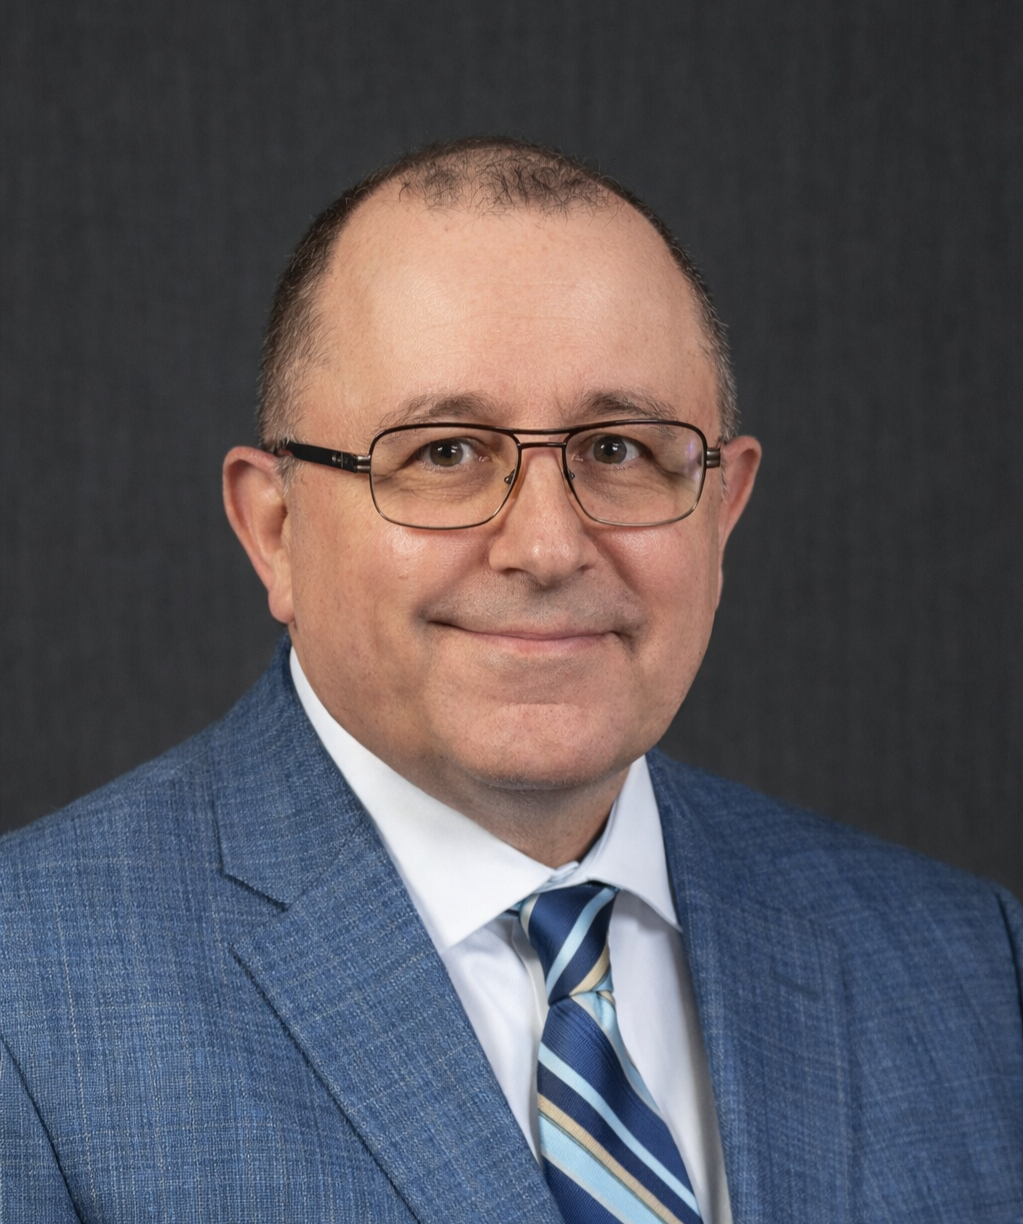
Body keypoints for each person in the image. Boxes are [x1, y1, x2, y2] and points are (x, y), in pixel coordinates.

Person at [1, 138, 1020, 1224]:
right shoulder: (29, 999)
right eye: (444, 453)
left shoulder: (970, 970)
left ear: (723, 512)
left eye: (621, 450)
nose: (547, 546)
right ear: (276, 529)